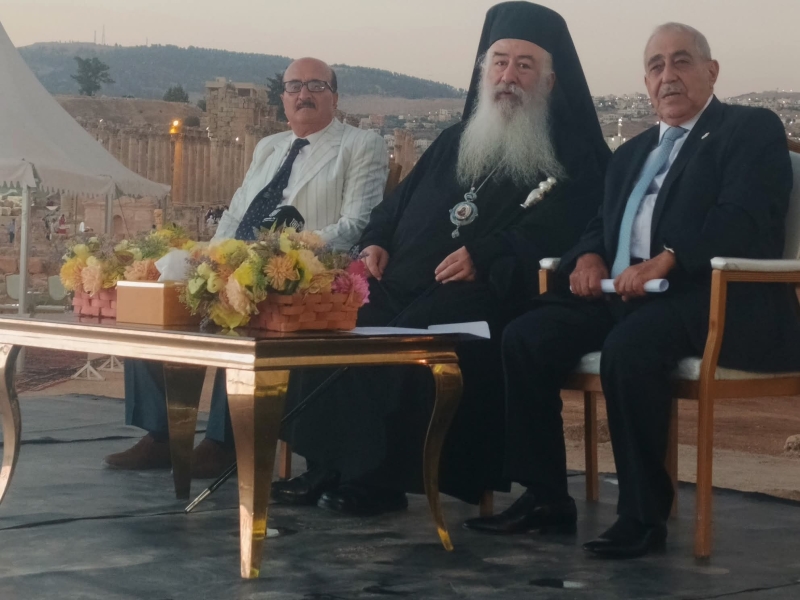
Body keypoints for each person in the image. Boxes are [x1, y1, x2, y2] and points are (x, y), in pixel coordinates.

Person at [463, 22, 800, 558]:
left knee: (630, 349)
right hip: (621, 294)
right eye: (655, 66)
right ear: (645, 83)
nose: (668, 76)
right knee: (526, 336)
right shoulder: (632, 152)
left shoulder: (748, 129)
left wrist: (669, 257)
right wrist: (588, 256)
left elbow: (745, 218)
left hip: (708, 294)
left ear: (711, 71)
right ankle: (546, 498)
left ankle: (642, 517)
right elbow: (600, 224)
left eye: (681, 61)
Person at [273, 1, 610, 516]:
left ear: (549, 80)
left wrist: (489, 252)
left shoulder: (575, 152)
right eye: (500, 62)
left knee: (415, 336)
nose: (509, 76)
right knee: (337, 320)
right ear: (483, 71)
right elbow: (395, 205)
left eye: (524, 65)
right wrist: (376, 241)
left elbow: (569, 229)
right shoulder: (456, 139)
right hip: (402, 280)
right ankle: (329, 463)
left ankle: (378, 479)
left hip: (493, 290)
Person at [104, 57, 389, 477]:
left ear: (334, 97)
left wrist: (278, 254)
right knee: (155, 303)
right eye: (294, 86)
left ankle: (225, 442)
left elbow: (356, 223)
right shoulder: (269, 146)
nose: (303, 94)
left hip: (302, 271)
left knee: (246, 306)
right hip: (239, 258)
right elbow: (238, 213)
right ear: (283, 98)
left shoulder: (359, 145)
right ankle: (161, 434)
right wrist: (212, 257)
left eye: (316, 86)